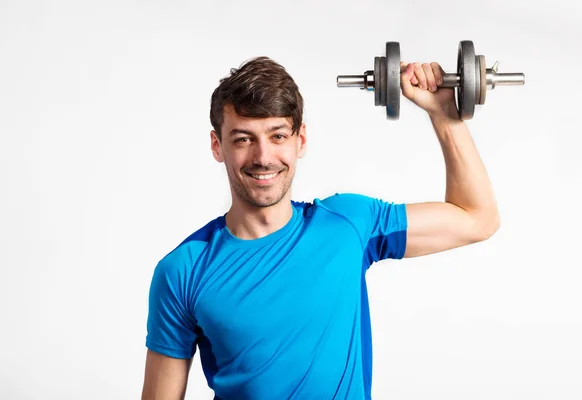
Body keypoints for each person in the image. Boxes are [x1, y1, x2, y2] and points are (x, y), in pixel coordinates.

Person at [140, 56, 500, 400]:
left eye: (278, 135)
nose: (263, 157)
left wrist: (444, 114)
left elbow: (477, 218)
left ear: (302, 141)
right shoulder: (182, 272)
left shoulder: (349, 225)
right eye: (243, 139)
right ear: (217, 146)